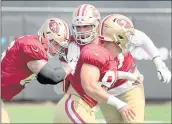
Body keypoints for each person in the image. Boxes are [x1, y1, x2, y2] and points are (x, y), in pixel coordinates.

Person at [52, 4, 143, 123]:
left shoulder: (105, 48)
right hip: (76, 105)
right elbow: (68, 87)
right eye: (78, 27)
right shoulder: (83, 48)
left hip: (87, 107)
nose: (82, 31)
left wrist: (128, 75)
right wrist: (70, 66)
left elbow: (104, 74)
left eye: (86, 26)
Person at [1, 18, 75, 123]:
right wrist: (72, 65)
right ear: (45, 36)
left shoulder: (33, 42)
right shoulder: (32, 47)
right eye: (56, 44)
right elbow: (52, 76)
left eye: (61, 46)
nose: (58, 50)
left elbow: (42, 79)